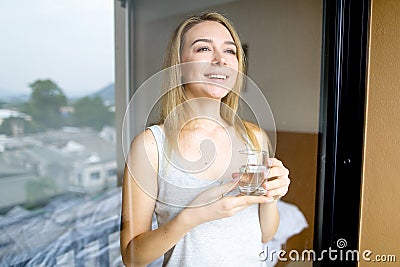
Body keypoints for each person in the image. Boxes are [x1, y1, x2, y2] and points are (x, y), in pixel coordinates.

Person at [120, 12, 290, 267]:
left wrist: (271, 197)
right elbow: (133, 258)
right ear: (179, 65)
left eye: (230, 51)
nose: (221, 59)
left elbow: (265, 234)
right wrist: (194, 216)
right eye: (203, 49)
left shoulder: (254, 137)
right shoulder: (151, 146)